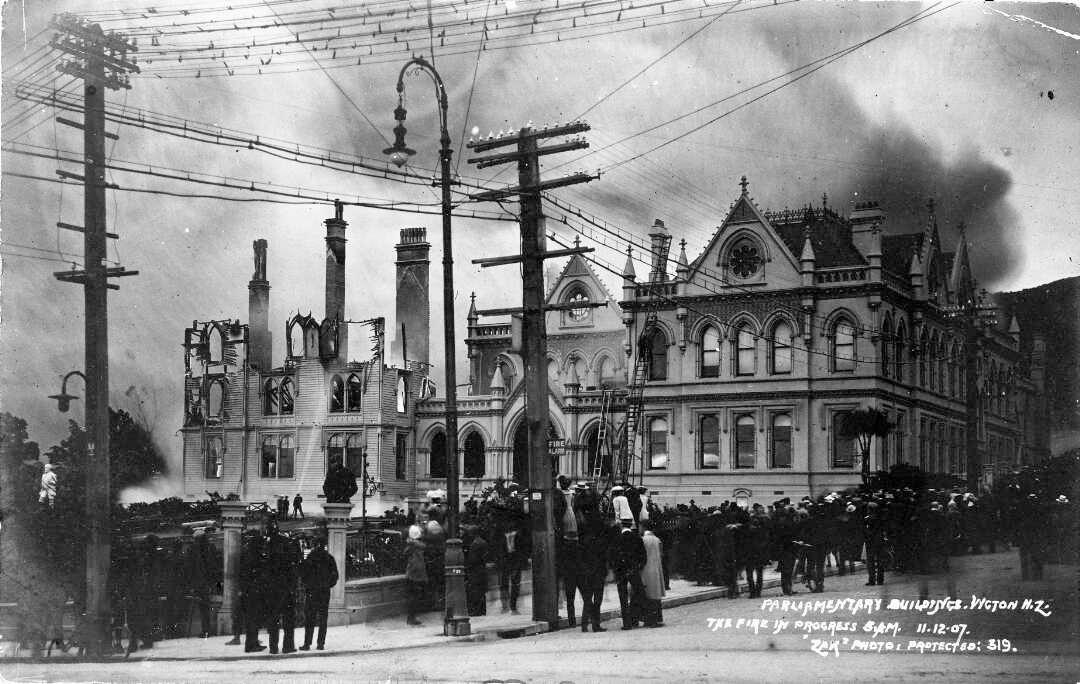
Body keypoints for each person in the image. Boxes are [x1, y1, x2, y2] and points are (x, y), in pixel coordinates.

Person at [263, 517, 302, 654]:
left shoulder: (267, 546)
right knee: (288, 619)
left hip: (273, 588)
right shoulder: (286, 543)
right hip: (286, 587)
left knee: (273, 618)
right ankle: (288, 646)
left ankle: (273, 647)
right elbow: (295, 562)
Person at [299, 536, 338, 650]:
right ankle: (321, 643)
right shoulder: (329, 558)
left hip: (312, 591)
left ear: (315, 544)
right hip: (324, 591)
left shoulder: (310, 557)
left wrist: (307, 584)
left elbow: (303, 574)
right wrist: (328, 585)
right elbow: (335, 575)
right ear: (324, 545)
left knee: (310, 618)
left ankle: (307, 643)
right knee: (323, 618)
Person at [553, 475, 581, 626]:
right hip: (571, 520)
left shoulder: (558, 495)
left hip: (563, 536)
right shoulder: (571, 494)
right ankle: (572, 619)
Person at [609, 519, 646, 630]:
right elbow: (643, 556)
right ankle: (635, 617)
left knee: (623, 597)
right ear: (631, 525)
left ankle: (626, 623)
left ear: (621, 526)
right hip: (633, 570)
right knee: (638, 592)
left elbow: (612, 556)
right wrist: (638, 567)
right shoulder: (637, 538)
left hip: (620, 572)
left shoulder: (616, 539)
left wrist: (615, 569)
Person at [639, 521, 665, 627]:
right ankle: (657, 618)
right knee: (655, 594)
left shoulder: (642, 540)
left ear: (643, 527)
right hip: (657, 569)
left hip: (646, 569)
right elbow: (661, 555)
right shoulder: (657, 540)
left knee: (648, 594)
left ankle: (649, 619)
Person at [463, 525, 489, 617]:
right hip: (482, 569)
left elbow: (472, 559)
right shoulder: (483, 542)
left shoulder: (475, 544)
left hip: (475, 570)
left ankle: (476, 611)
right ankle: (482, 610)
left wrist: (467, 566)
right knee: (481, 591)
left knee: (475, 591)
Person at [404, 525, 427, 625]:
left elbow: (405, 553)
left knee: (412, 596)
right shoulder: (418, 546)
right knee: (415, 596)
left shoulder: (410, 545)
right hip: (416, 573)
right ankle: (412, 617)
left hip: (411, 572)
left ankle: (411, 617)